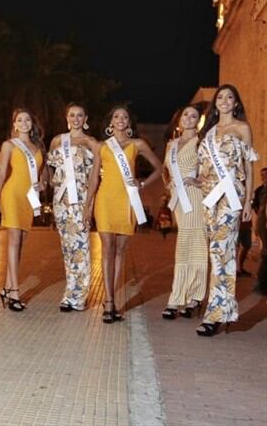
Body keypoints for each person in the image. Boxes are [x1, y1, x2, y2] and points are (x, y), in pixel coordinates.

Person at [196, 85, 257, 336]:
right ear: (215, 104)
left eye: (229, 97)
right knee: (216, 252)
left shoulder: (242, 129)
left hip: (231, 195)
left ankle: (216, 313)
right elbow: (203, 167)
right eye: (220, 97)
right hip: (210, 197)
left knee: (223, 250)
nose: (224, 101)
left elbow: (249, 167)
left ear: (236, 103)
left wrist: (248, 202)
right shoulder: (208, 132)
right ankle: (221, 309)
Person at [93, 105, 163, 323]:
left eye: (124, 117)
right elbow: (94, 177)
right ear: (110, 122)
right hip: (105, 200)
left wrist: (142, 183)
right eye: (116, 116)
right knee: (107, 249)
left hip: (127, 201)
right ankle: (109, 302)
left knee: (120, 251)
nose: (120, 119)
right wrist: (88, 204)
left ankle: (112, 298)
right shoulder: (103, 146)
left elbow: (160, 168)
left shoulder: (137, 144)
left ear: (129, 123)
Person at [46, 103, 100, 313]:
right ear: (66, 118)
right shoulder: (58, 140)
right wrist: (51, 183)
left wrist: (89, 205)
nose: (76, 118)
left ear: (85, 118)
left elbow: (95, 176)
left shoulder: (91, 142)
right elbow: (49, 168)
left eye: (80, 115)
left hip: (81, 199)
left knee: (81, 247)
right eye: (72, 115)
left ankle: (78, 297)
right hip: (61, 201)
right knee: (67, 248)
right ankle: (69, 292)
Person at [0, 108, 47, 312]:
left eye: (27, 119)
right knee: (14, 241)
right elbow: (1, 174)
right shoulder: (9, 145)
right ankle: (14, 292)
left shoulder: (38, 147)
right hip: (12, 195)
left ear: (32, 124)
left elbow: (41, 176)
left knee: (21, 242)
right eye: (19, 120)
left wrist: (41, 184)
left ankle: (7, 287)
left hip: (29, 198)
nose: (24, 123)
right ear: (14, 124)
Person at [160, 105, 207, 319]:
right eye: (186, 114)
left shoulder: (201, 142)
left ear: (198, 121)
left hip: (196, 198)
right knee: (186, 246)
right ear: (179, 119)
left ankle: (186, 298)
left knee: (195, 246)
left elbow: (212, 171)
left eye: (194, 116)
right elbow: (164, 170)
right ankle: (187, 298)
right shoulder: (171, 145)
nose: (189, 118)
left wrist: (198, 181)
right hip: (179, 200)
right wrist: (168, 185)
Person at [253, 167, 267, 295]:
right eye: (262, 175)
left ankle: (261, 283)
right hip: (264, 226)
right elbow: (258, 208)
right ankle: (261, 284)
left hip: (263, 225)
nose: (264, 177)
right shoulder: (260, 190)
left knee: (265, 254)